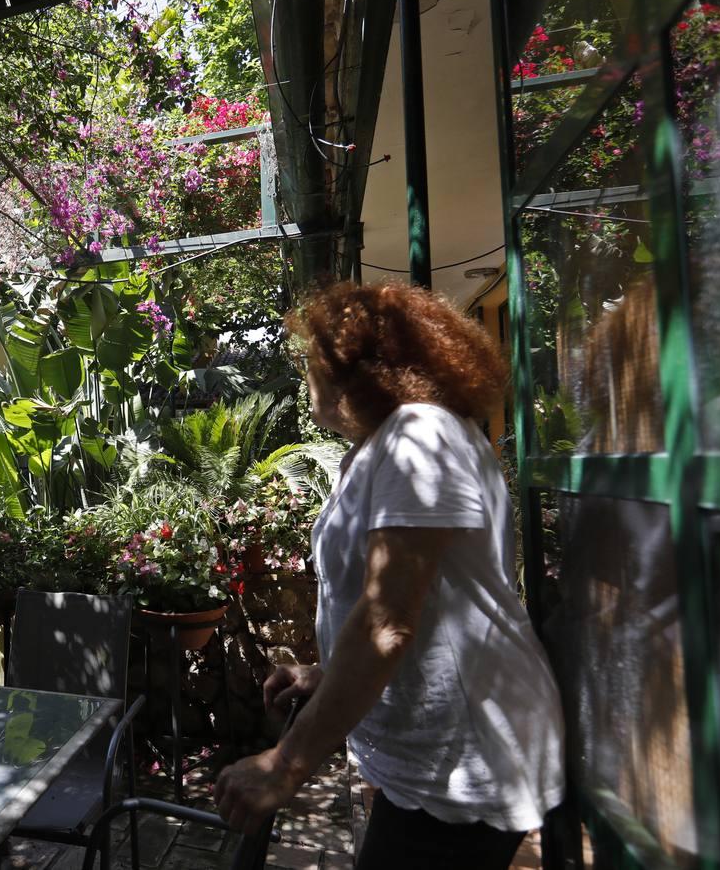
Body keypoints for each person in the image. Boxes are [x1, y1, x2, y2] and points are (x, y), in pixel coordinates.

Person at [214, 282, 565, 869]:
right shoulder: (388, 445)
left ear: (355, 368)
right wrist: (328, 672)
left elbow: (388, 623)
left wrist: (285, 765)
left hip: (468, 761)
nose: (306, 376)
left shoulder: (420, 437)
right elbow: (415, 609)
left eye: (311, 361)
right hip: (436, 763)